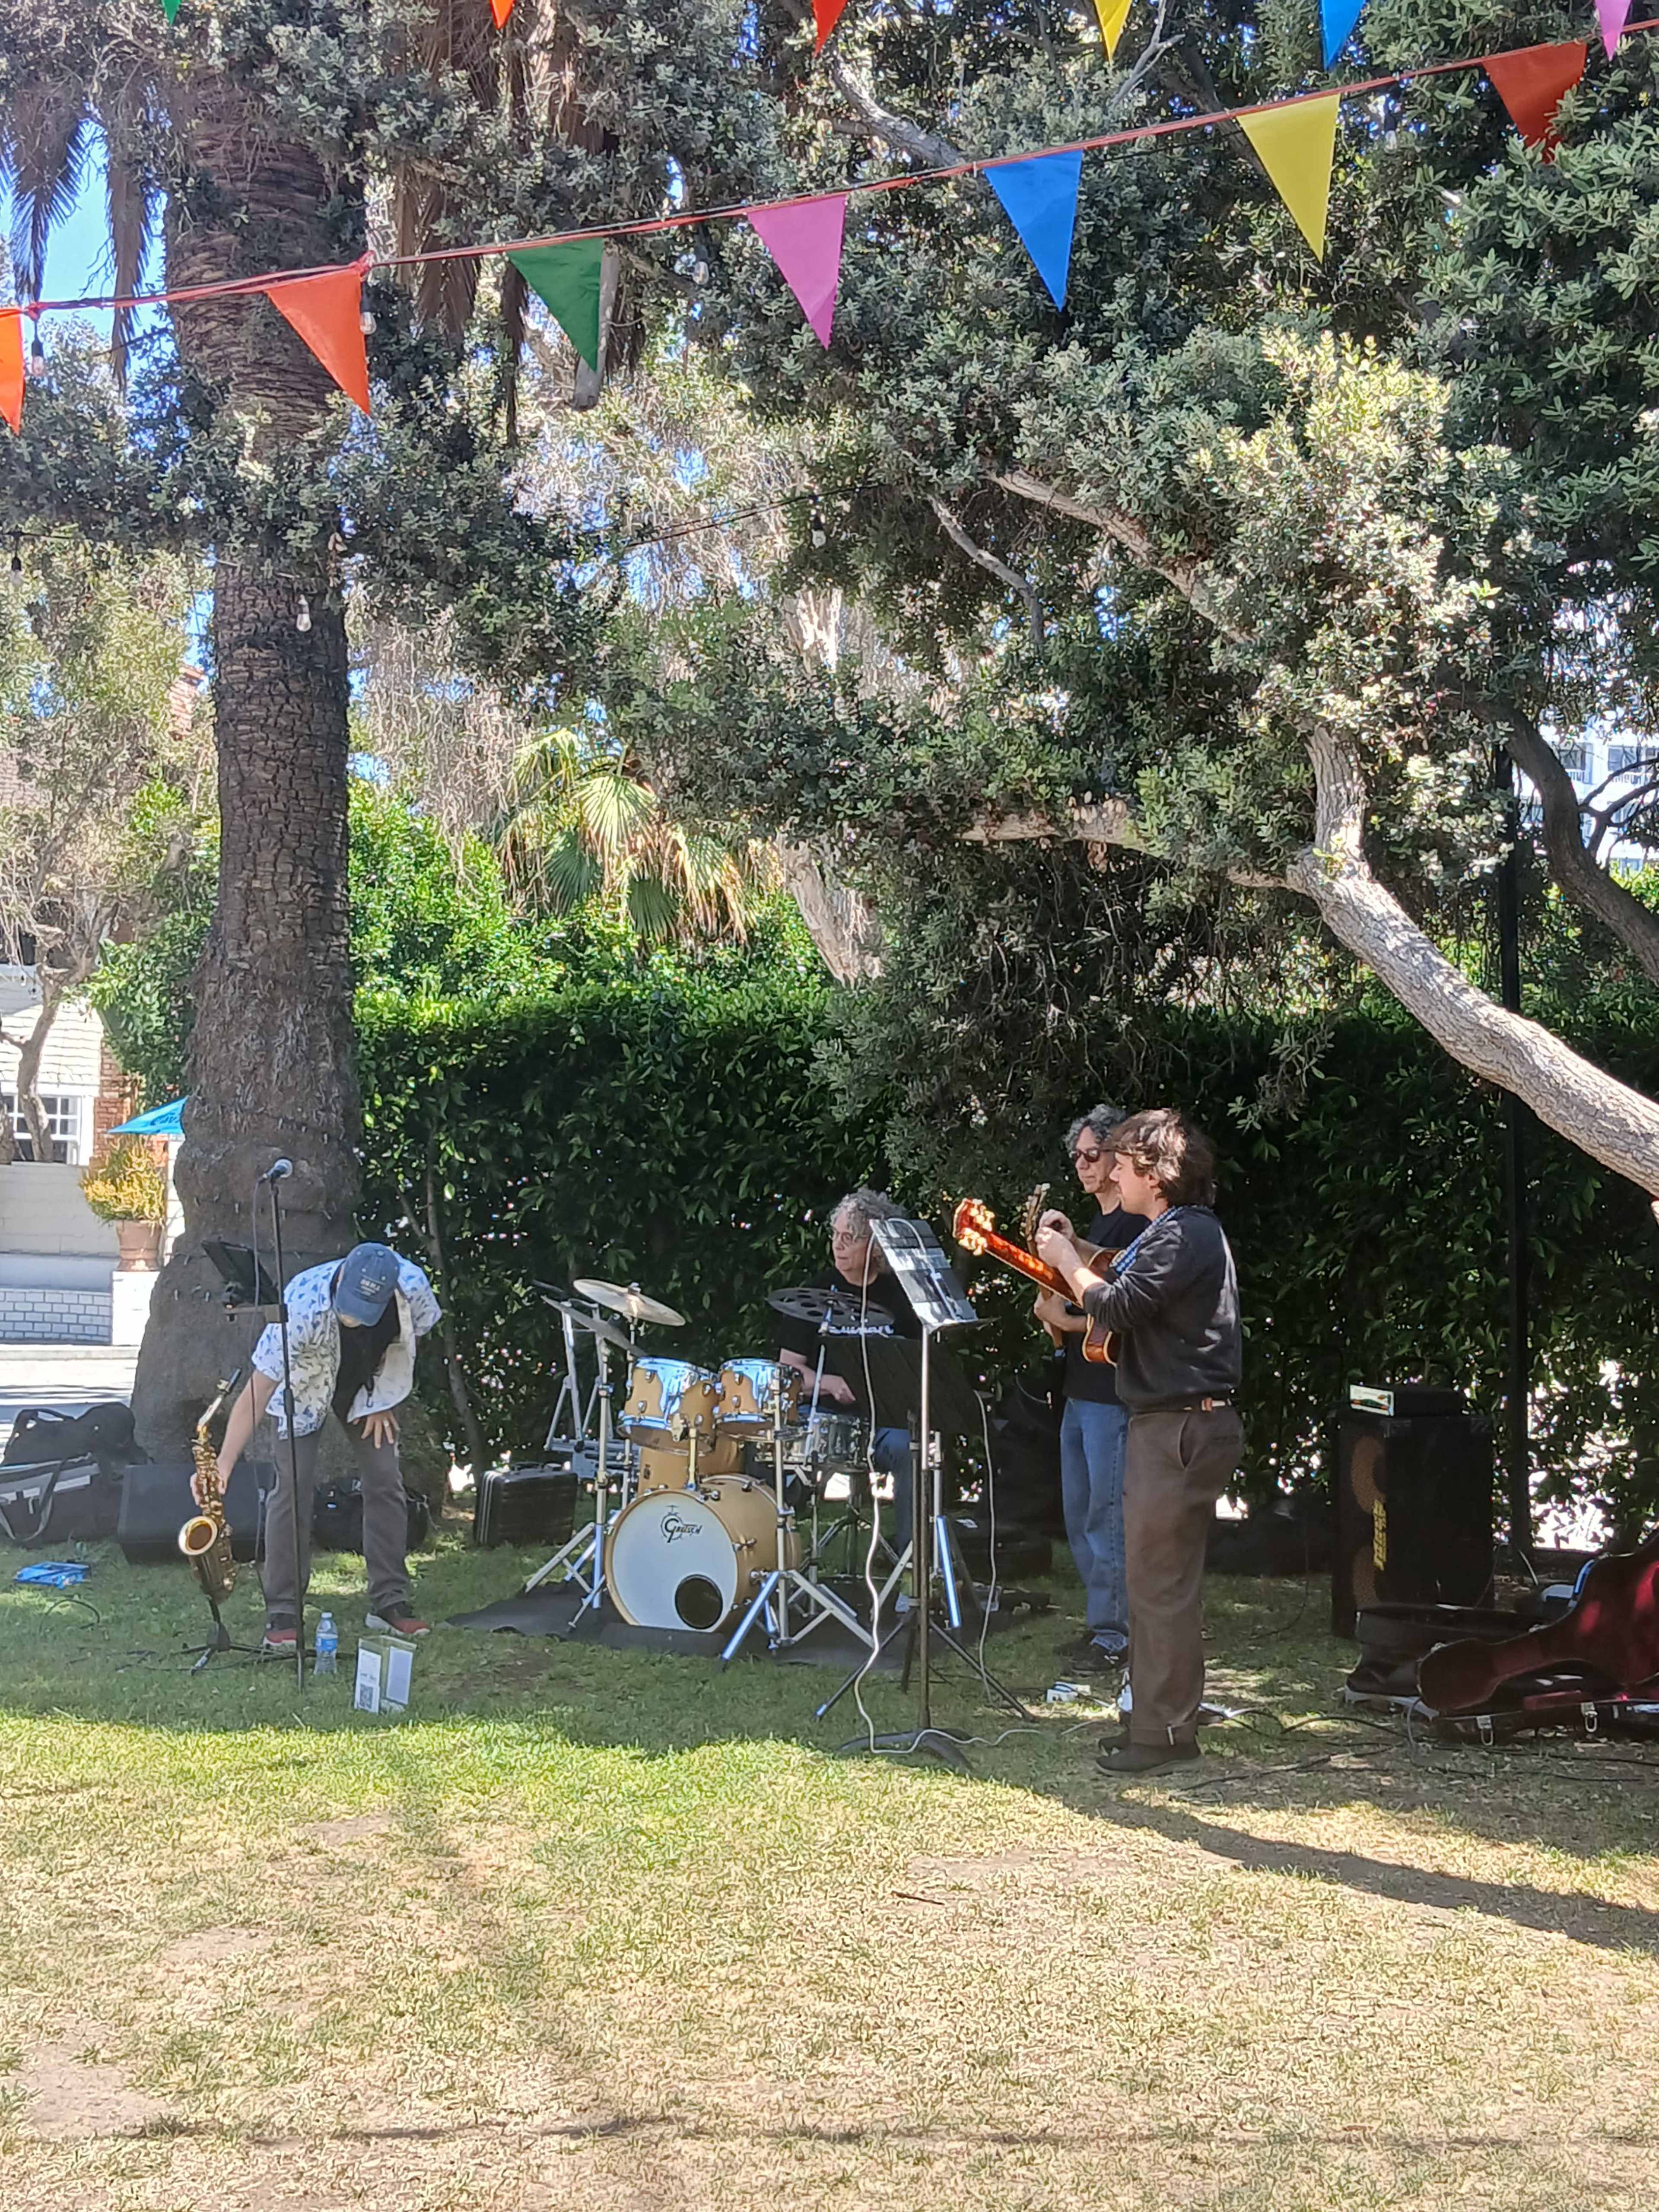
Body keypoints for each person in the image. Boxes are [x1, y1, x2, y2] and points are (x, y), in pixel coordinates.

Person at [1036, 1110, 1241, 1776]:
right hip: (1171, 1422)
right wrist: (1082, 1255)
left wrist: (1068, 1260)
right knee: (1158, 1580)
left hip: (1179, 1425)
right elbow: (1125, 1281)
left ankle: (1162, 1733)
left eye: (1122, 1162)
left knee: (1158, 1584)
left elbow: (1118, 1306)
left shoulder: (1186, 1233)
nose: (1113, 1172)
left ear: (1157, 1172)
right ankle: (1155, 1722)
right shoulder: (1175, 1232)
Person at [203, 1241, 442, 1653]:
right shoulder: (301, 1306)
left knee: (386, 1478)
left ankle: (389, 1600)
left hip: (365, 1385)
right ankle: (284, 1610)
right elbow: (256, 1393)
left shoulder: (413, 1289)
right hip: (306, 1385)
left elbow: (408, 1345)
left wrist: (384, 1399)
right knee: (291, 1485)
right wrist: (223, 1465)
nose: (353, 1318)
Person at [1031, 1105, 1150, 1678]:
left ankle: (1116, 1634)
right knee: (1079, 1512)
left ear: (1116, 1158)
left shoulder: (1135, 1227)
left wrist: (1066, 1318)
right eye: (1076, 1156)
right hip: (1080, 1391)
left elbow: (1122, 1319)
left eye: (1092, 1155)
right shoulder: (1096, 1231)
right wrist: (1052, 1310)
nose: (1082, 1165)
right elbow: (1073, 1315)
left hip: (1112, 1393)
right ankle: (1103, 1624)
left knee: (1105, 1514)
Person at [776, 1188, 918, 1539]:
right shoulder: (812, 1295)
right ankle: (776, 1556)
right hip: (820, 1419)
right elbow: (788, 1373)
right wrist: (830, 1385)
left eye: (849, 1238)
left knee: (912, 1452)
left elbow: (918, 1370)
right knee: (770, 1442)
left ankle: (910, 1570)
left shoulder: (902, 1298)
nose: (838, 1246)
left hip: (882, 1421)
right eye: (835, 1235)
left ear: (875, 1244)